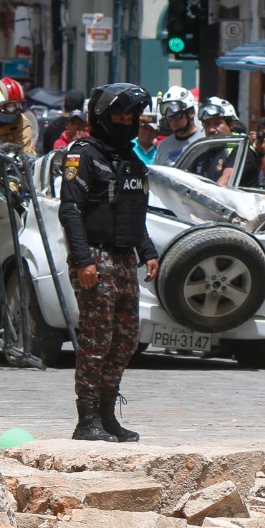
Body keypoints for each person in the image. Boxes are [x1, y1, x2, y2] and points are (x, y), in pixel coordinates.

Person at [58, 84, 160, 443]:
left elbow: (135, 213)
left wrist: (148, 252)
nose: (125, 122)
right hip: (95, 257)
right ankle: (86, 420)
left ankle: (106, 414)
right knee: (96, 339)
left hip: (123, 256)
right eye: (118, 116)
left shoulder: (131, 159)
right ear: (101, 118)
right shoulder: (82, 155)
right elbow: (70, 210)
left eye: (130, 117)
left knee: (126, 337)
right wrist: (83, 259)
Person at [183, 97, 240, 183]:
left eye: (217, 123)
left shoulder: (239, 146)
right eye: (207, 124)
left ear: (231, 125)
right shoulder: (203, 149)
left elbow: (227, 178)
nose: (211, 130)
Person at [150, 86, 203, 167]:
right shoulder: (163, 146)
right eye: (169, 117)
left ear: (191, 113)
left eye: (178, 116)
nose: (173, 122)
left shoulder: (204, 141)